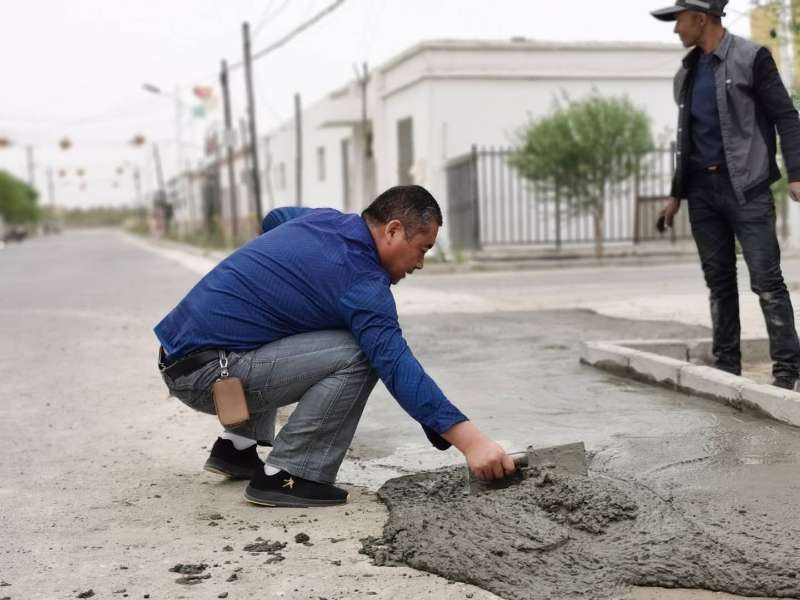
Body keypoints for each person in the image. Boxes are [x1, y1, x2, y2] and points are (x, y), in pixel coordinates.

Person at [155, 185, 515, 507]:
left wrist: (270, 270)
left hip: (181, 358)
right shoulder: (362, 283)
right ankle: (286, 475)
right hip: (208, 378)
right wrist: (473, 444)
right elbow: (397, 366)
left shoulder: (324, 220)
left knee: (291, 313)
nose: (420, 263)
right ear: (392, 230)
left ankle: (236, 450)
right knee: (360, 352)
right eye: (422, 249)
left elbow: (275, 217)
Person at [653, 0, 800, 388]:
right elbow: (687, 139)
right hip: (702, 193)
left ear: (701, 19)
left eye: (679, 20)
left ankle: (788, 374)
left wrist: (797, 174)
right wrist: (675, 195)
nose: (675, 29)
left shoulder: (753, 58)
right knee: (718, 282)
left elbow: (786, 115)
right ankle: (727, 370)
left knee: (766, 281)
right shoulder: (686, 74)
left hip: (747, 188)